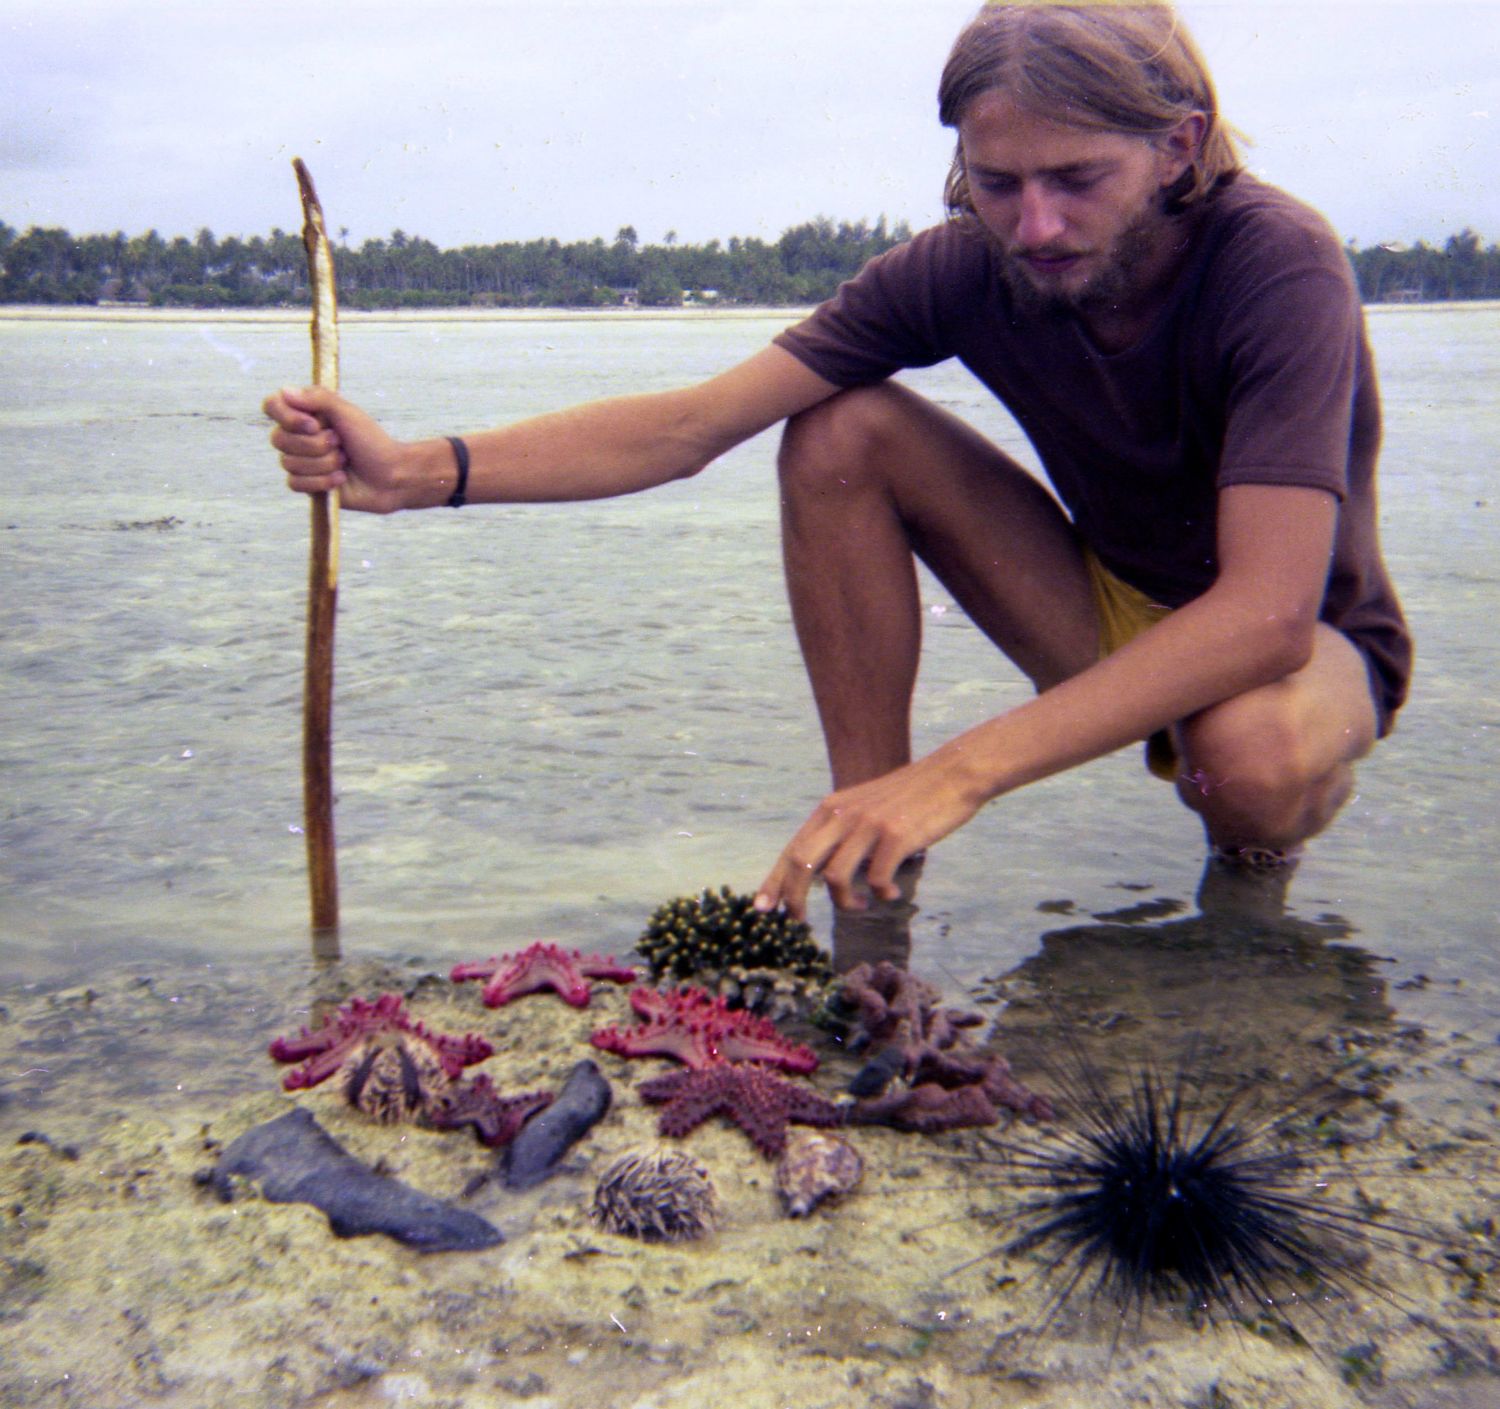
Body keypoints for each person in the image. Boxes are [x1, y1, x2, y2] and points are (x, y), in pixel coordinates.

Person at [265, 0, 1409, 929]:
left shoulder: (1276, 261)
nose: (1037, 226)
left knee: (1246, 759)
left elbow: (1262, 614)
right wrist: (417, 471)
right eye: (998, 183)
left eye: (1076, 179)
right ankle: (874, 856)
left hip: (1298, 642)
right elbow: (688, 428)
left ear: (1178, 144)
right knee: (840, 427)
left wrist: (961, 773)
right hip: (1105, 606)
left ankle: (1252, 917)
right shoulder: (968, 265)